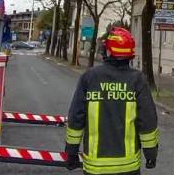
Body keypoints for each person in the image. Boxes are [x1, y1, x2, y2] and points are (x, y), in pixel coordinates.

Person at [65, 27, 159, 174]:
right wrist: (151, 154)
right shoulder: (137, 80)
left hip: (95, 166)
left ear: (107, 51)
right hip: (128, 166)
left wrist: (71, 152)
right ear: (130, 54)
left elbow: (76, 117)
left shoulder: (90, 77)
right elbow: (147, 120)